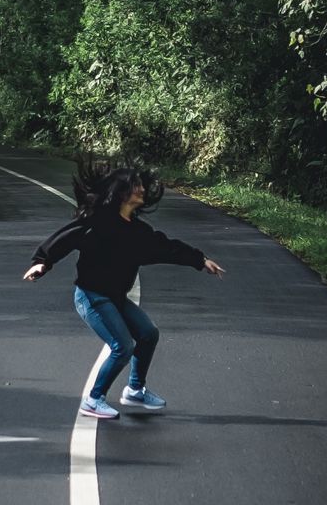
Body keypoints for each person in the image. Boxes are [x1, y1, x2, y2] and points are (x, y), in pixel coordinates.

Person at [22, 161, 224, 419]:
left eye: (141, 185)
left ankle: (135, 390)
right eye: (135, 186)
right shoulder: (98, 222)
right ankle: (93, 400)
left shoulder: (138, 232)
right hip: (92, 297)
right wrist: (43, 262)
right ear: (121, 192)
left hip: (115, 298)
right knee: (122, 346)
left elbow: (167, 247)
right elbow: (66, 237)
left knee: (148, 334)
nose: (141, 190)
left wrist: (200, 260)